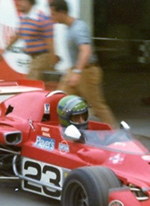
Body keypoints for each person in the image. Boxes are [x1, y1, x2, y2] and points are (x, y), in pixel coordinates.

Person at [49, 0, 117, 128]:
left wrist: (77, 73)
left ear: (62, 12)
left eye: (53, 14)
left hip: (86, 71)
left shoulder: (78, 27)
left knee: (97, 107)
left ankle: (117, 135)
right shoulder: (68, 28)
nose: (51, 17)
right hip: (75, 70)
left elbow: (86, 51)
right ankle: (66, 133)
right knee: (61, 101)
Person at [0, 0, 57, 80]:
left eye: (22, 1)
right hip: (33, 58)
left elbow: (50, 43)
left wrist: (52, 63)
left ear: (30, 3)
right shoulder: (24, 18)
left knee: (32, 83)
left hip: (42, 57)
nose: (19, 3)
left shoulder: (41, 19)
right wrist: (3, 50)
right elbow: (18, 35)